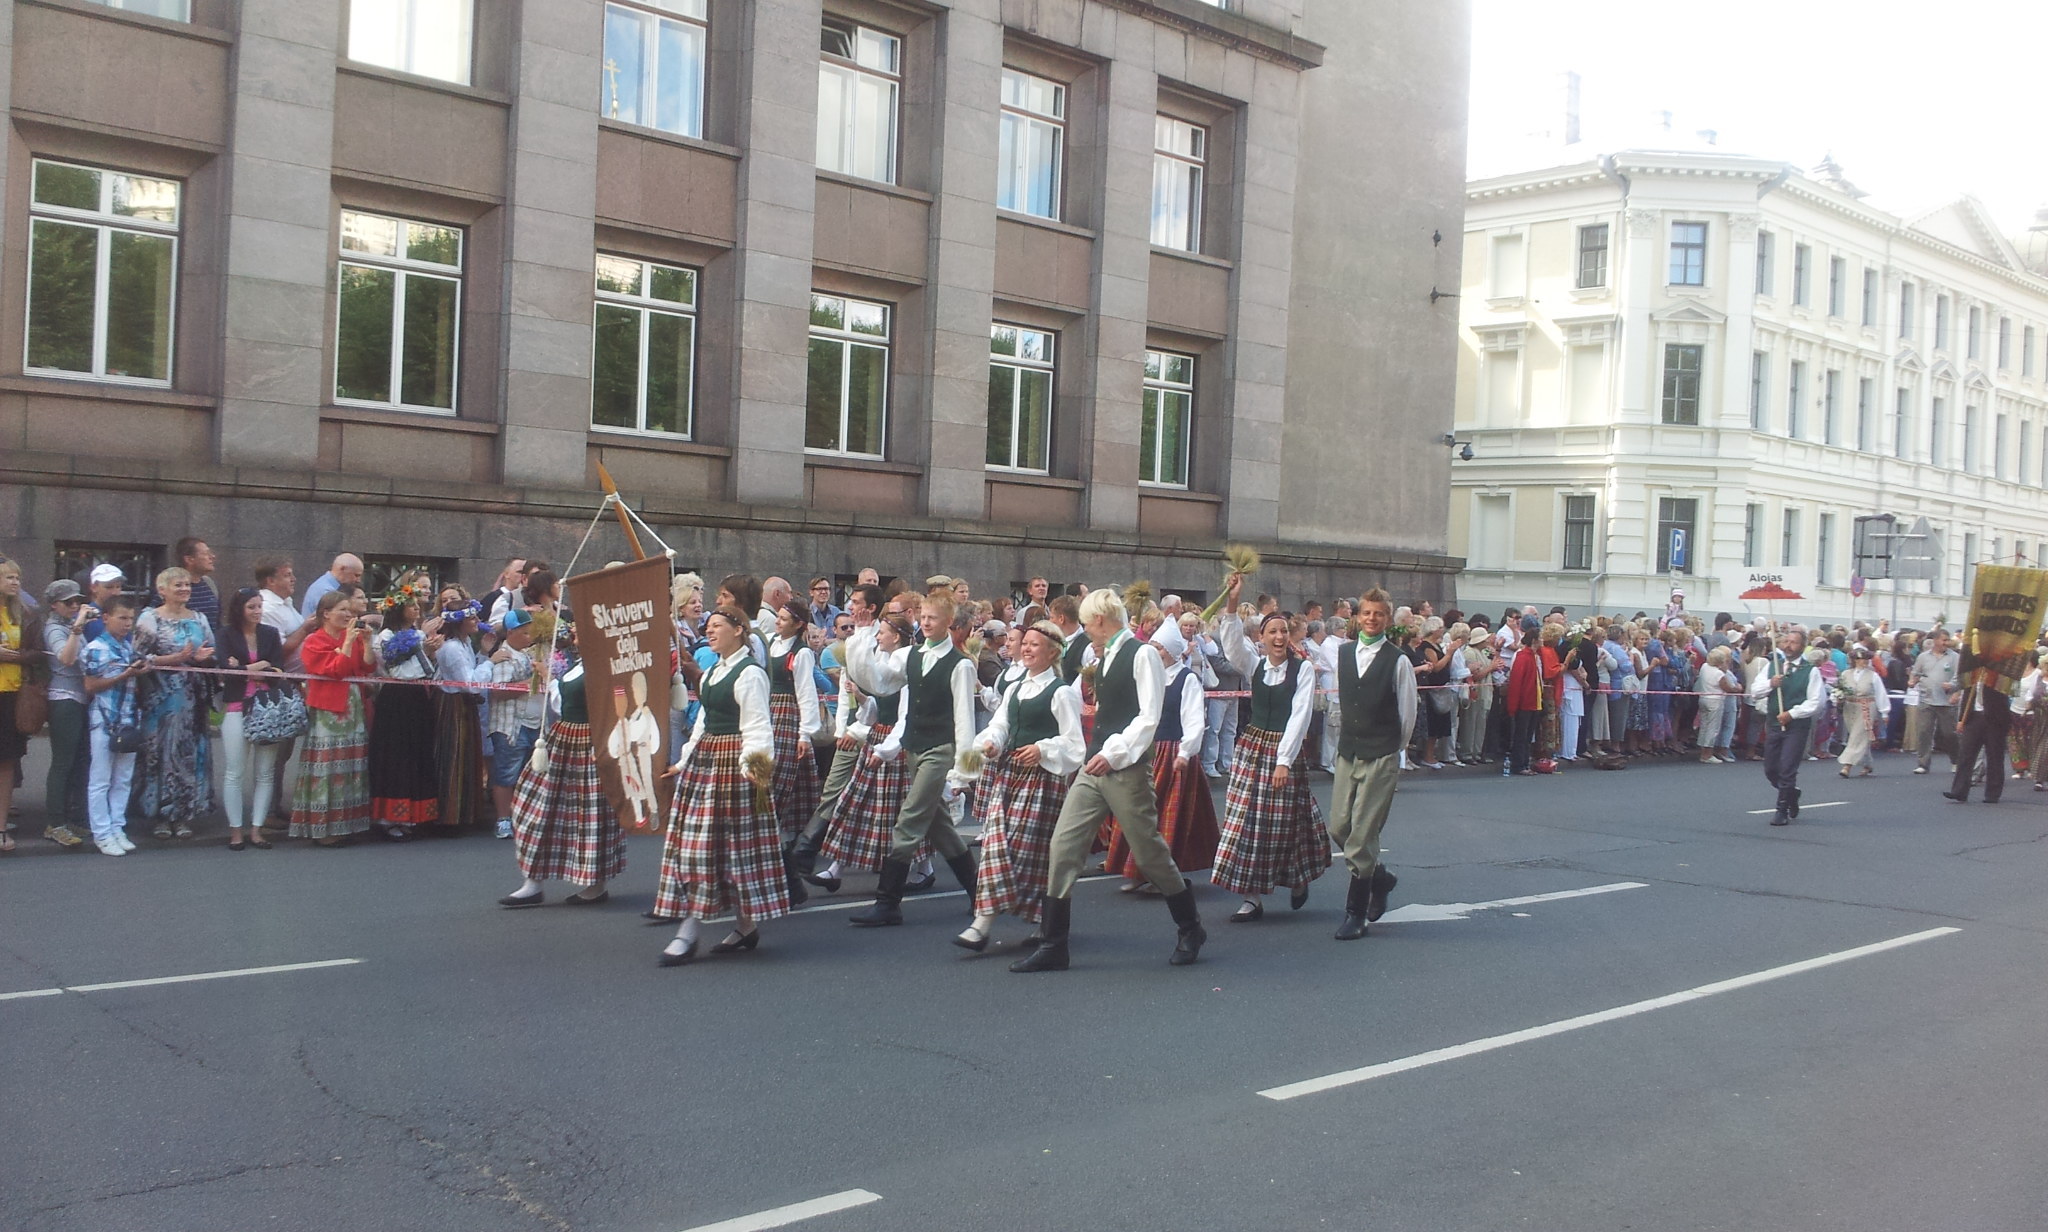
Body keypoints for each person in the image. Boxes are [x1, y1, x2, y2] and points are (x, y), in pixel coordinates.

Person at [1009, 587, 1207, 973]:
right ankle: (1053, 944)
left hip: (1125, 769)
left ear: (1099, 620)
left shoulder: (1142, 654)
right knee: (1063, 846)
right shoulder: (1105, 655)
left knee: (1149, 853)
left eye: (1086, 622)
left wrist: (1112, 753)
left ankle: (1190, 926)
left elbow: (1148, 717)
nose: (1084, 629)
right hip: (1095, 765)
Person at [653, 607, 789, 966]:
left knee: (724, 850)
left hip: (734, 766)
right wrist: (683, 761)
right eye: (708, 627)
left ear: (739, 630)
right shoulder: (714, 670)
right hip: (706, 762)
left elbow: (758, 726)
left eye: (717, 626)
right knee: (702, 848)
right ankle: (742, 927)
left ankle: (691, 931)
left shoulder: (750, 674)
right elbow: (703, 722)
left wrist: (753, 768)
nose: (710, 632)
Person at [845, 589, 980, 927]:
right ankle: (981, 893)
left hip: (940, 750)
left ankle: (887, 902)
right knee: (940, 826)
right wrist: (862, 634)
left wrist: (962, 773)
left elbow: (964, 719)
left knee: (909, 819)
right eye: (923, 617)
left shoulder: (961, 664)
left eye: (933, 618)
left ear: (949, 622)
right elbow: (877, 682)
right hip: (915, 748)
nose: (926, 623)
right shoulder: (911, 655)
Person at [956, 620, 1084, 951]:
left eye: (1034, 644)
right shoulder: (1014, 689)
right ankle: (982, 924)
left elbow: (1074, 744)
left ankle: (1043, 921)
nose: (1026, 648)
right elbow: (1001, 725)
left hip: (1042, 781)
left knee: (1030, 854)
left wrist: (1042, 749)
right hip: (1009, 775)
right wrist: (991, 743)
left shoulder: (1062, 692)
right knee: (996, 845)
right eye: (1024, 643)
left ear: (1053, 652)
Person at [499, 635, 624, 908]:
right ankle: (532, 883)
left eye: (580, 629)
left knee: (590, 814)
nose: (575, 634)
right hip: (563, 738)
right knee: (534, 806)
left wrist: (608, 745)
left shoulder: (608, 666)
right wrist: (548, 677)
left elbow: (615, 708)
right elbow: (562, 703)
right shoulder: (579, 663)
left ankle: (595, 884)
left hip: (591, 743)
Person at [811, 614, 926, 891]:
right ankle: (835, 868)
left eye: (882, 632)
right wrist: (861, 697)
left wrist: (887, 750)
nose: (877, 637)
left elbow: (905, 716)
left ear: (896, 637)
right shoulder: (882, 665)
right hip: (877, 738)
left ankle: (925, 867)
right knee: (855, 802)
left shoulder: (907, 670)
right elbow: (874, 711)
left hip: (896, 745)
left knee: (899, 812)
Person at [1102, 619, 1217, 893]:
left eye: (1160, 648)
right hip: (1147, 750)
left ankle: (1162, 875)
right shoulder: (1149, 677)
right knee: (1136, 811)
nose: (1155, 652)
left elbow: (1194, 720)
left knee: (1167, 817)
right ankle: (1139, 870)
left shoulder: (1186, 679)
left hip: (1172, 752)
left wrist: (1186, 752)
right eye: (1152, 647)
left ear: (1173, 651)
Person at [788, 583, 885, 876]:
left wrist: (859, 728)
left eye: (857, 602)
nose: (851, 607)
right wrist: (842, 729)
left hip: (880, 730)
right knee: (833, 787)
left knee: (881, 799)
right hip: (853, 729)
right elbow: (845, 689)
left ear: (871, 608)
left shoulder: (882, 639)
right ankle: (805, 853)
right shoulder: (852, 642)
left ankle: (908, 861)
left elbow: (884, 691)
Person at [133, 566, 216, 838]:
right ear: (162, 590)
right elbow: (136, 657)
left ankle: (182, 814)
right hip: (161, 700)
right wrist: (174, 659)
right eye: (178, 585)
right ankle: (159, 815)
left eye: (187, 585)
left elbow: (210, 650)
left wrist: (203, 658)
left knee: (187, 754)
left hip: (193, 700)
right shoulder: (150, 618)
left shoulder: (199, 618)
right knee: (160, 753)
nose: (184, 589)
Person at [290, 591, 377, 845]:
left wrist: (367, 643)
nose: (348, 615)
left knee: (352, 763)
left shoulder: (354, 638)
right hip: (328, 710)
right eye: (342, 610)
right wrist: (347, 642)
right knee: (329, 766)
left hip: (353, 706)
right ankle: (323, 827)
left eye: (350, 610)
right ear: (326, 613)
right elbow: (336, 670)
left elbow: (368, 666)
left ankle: (347, 823)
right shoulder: (314, 641)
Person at [216, 587, 285, 850]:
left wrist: (243, 669)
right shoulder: (225, 634)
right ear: (240, 609)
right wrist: (256, 667)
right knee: (234, 771)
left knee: (265, 772)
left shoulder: (270, 633)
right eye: (251, 607)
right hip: (236, 707)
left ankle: (256, 830)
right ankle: (236, 831)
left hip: (268, 708)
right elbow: (225, 670)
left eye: (259, 606)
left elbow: (278, 671)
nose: (257, 612)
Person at [368, 590, 441, 832]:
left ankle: (413, 815)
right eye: (411, 605)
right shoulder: (386, 636)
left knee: (416, 752)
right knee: (396, 755)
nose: (417, 609)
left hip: (417, 696)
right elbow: (394, 665)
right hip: (396, 698)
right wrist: (420, 645)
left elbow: (425, 667)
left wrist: (429, 651)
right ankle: (390, 818)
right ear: (398, 609)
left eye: (417, 605)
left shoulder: (418, 633)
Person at [81, 597, 149, 855]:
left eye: (130, 618)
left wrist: (141, 669)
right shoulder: (97, 648)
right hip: (105, 720)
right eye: (122, 618)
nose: (127, 624)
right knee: (100, 779)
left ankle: (117, 827)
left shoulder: (127, 647)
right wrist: (126, 674)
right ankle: (102, 833)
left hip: (128, 719)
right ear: (106, 618)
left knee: (122, 779)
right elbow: (90, 685)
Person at [1752, 629, 1827, 826]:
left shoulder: (1810, 671)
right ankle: (1791, 793)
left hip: (1796, 727)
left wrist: (1792, 714)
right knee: (1771, 769)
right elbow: (1755, 691)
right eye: (1786, 641)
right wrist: (1771, 683)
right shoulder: (1772, 666)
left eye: (1793, 642)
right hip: (1774, 724)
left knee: (1787, 768)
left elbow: (1816, 702)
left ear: (1802, 646)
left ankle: (1782, 809)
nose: (1788, 646)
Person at [40, 580, 92, 848]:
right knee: (62, 763)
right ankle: (55, 823)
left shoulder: (71, 626)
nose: (74, 606)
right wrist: (78, 626)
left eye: (77, 601)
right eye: (68, 602)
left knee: (77, 762)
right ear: (53, 605)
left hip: (80, 698)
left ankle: (70, 818)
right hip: (64, 699)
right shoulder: (54, 628)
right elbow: (67, 658)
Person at [484, 607, 544, 842]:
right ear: (511, 633)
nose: (530, 637)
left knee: (528, 775)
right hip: (510, 726)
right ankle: (503, 819)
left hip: (532, 724)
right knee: (506, 774)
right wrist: (530, 682)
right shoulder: (505, 656)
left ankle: (523, 818)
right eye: (525, 633)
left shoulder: (527, 655)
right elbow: (499, 692)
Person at [434, 601, 494, 832]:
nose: (477, 622)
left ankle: (465, 813)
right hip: (453, 706)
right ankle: (450, 816)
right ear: (459, 622)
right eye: (472, 618)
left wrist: (483, 653)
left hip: (464, 706)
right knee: (454, 757)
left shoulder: (465, 643)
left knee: (466, 756)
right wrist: (491, 662)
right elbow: (469, 683)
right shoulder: (452, 648)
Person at [1943, 630, 2013, 806]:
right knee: (1966, 755)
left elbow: (2005, 695)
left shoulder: (1999, 672)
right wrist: (1962, 719)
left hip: (1994, 719)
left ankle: (1993, 793)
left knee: (1994, 756)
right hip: (1974, 717)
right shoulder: (1972, 673)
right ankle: (1959, 791)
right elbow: (1966, 696)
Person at [0, 558, 33, 851]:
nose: (15, 582)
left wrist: (22, 656)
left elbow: (31, 650)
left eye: (17, 577)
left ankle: (0, 828)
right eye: (9, 577)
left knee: (7, 760)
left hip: (11, 693)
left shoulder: (19, 613)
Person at [1908, 629, 1961, 775]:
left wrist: (1955, 690)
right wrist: (1912, 681)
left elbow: (1960, 678)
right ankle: (1923, 764)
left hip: (1947, 701)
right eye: (1944, 640)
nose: (1946, 643)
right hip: (1926, 699)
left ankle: (1956, 760)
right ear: (1935, 641)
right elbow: (1916, 673)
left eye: (1947, 640)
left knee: (1949, 734)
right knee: (1923, 732)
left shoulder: (1955, 657)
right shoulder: (1923, 657)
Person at [1835, 645, 1886, 779]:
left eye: (1865, 659)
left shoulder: (1873, 676)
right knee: (1858, 736)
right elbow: (1839, 689)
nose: (1863, 662)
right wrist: (1838, 698)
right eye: (1860, 659)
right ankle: (1867, 763)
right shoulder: (1845, 674)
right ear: (1854, 661)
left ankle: (1847, 766)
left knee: (1857, 736)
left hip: (1866, 707)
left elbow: (1880, 693)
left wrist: (1884, 711)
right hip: (1850, 707)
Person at [1695, 646, 1742, 764]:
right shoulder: (1718, 674)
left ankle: (1703, 751)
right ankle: (1707, 754)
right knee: (1713, 728)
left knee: (1704, 726)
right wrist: (1738, 688)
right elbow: (1728, 688)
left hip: (1704, 698)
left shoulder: (1704, 667)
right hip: (1715, 701)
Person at [172, 537, 222, 632]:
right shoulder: (170, 587)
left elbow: (217, 624)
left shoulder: (210, 584)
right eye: (206, 554)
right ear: (189, 559)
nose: (212, 557)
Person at [299, 553, 364, 619]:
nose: (358, 580)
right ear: (342, 569)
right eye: (356, 575)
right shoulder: (324, 590)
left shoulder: (325, 586)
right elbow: (332, 620)